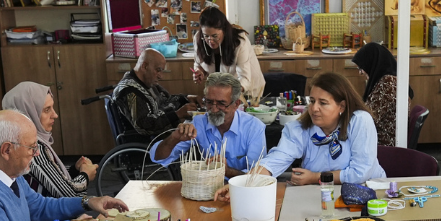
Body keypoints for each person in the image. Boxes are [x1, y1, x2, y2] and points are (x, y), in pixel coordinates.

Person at [255, 71, 386, 185]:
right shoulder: (300, 128)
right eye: (312, 101)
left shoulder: (359, 121)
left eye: (323, 103)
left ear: (341, 106)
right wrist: (254, 177)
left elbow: (360, 173)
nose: (314, 108)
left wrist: (316, 177)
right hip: (322, 194)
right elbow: (277, 158)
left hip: (369, 193)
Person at [150, 72, 265, 177]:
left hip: (241, 189)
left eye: (221, 103)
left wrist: (227, 171)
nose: (214, 109)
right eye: (209, 102)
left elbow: (258, 177)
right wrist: (174, 138)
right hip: (207, 188)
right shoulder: (199, 123)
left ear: (236, 104)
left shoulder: (253, 128)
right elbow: (157, 158)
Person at [3, 82, 97, 198]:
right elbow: (69, 195)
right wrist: (85, 175)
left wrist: (74, 170)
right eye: (47, 110)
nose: (55, 115)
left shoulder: (13, 139)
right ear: (28, 112)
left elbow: (48, 176)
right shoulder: (32, 147)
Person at [111, 49, 197, 140]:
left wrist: (186, 98)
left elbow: (166, 100)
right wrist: (177, 114)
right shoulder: (130, 91)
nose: (161, 76)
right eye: (158, 70)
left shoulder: (147, 82)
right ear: (144, 66)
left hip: (163, 136)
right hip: (149, 141)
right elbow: (145, 126)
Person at [192, 6, 265, 101]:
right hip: (221, 92)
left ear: (224, 30)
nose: (210, 41)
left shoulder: (239, 42)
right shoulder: (199, 39)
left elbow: (244, 78)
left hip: (248, 91)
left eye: (215, 36)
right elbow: (199, 62)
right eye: (206, 36)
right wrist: (199, 71)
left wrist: (227, 93)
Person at [351, 43, 411, 147]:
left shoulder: (388, 84)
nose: (360, 73)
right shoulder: (388, 80)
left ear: (372, 63)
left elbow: (368, 118)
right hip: (381, 140)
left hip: (384, 145)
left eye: (361, 67)